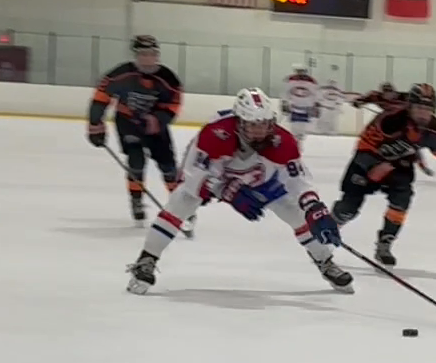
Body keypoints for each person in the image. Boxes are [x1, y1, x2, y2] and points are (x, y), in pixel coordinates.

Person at [124, 88, 353, 296]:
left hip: (263, 180)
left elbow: (298, 179)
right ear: (239, 122)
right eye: (253, 125)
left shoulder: (282, 140)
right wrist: (223, 189)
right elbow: (190, 173)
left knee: (296, 214)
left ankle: (325, 261)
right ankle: (147, 260)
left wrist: (314, 206)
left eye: (264, 124)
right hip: (218, 177)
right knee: (182, 200)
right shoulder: (215, 133)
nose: (260, 131)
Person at [335, 83, 436, 265]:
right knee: (350, 207)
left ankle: (385, 242)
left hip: (399, 164)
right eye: (418, 108)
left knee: (402, 200)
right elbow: (363, 147)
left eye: (428, 109)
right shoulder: (390, 121)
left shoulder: (435, 130)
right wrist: (373, 166)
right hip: (368, 161)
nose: (423, 114)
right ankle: (330, 226)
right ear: (409, 107)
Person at [88, 34, 184, 222]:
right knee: (136, 162)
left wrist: (158, 119)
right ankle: (136, 200)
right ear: (135, 55)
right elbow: (101, 97)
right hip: (128, 123)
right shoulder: (122, 74)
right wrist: (95, 124)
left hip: (155, 127)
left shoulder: (168, 78)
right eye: (143, 54)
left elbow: (174, 103)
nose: (147, 58)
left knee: (168, 167)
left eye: (152, 54)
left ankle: (179, 204)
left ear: (157, 55)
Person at [280, 63, 321, 142]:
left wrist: (316, 105)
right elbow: (286, 92)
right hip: (294, 108)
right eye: (298, 71)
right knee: (294, 129)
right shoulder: (291, 80)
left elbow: (315, 94)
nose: (300, 73)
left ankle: (298, 145)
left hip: (305, 109)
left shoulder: (311, 82)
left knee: (301, 130)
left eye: (301, 71)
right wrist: (284, 102)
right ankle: (295, 145)